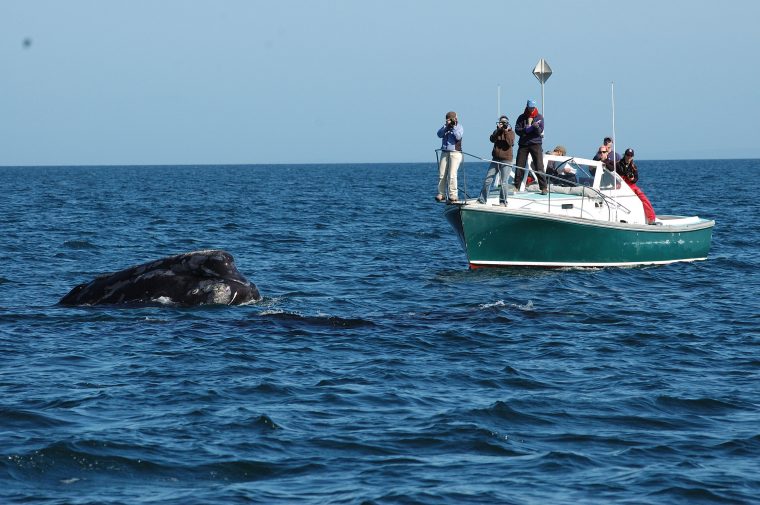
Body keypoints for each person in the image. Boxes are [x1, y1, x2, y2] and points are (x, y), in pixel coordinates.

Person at [477, 115, 515, 205]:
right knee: (488, 179)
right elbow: (491, 139)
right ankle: (482, 199)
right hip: (495, 159)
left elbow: (510, 142)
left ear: (508, 124)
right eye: (501, 123)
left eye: (504, 123)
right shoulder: (496, 132)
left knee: (503, 182)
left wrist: (505, 132)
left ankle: (503, 201)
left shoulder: (511, 132)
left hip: (507, 160)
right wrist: (499, 131)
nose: (503, 124)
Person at [514, 99, 547, 194]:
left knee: (539, 166)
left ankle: (543, 188)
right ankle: (516, 186)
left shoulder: (539, 117)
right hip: (523, 144)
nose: (531, 109)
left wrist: (536, 127)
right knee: (519, 165)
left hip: (536, 143)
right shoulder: (521, 117)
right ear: (527, 107)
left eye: (533, 107)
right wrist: (525, 130)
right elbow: (517, 130)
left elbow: (540, 131)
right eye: (530, 107)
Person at [617, 148, 656, 224]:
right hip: (621, 184)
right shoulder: (618, 164)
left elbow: (636, 178)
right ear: (624, 155)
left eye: (631, 156)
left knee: (644, 198)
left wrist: (632, 179)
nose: (629, 157)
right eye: (628, 155)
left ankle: (651, 218)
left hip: (631, 185)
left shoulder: (633, 166)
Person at [436, 111, 464, 203]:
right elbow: (439, 134)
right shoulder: (445, 127)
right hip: (445, 152)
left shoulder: (459, 127)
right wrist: (446, 127)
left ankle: (453, 195)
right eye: (448, 119)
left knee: (452, 175)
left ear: (455, 118)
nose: (450, 121)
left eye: (451, 119)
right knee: (442, 174)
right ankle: (441, 194)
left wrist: (453, 127)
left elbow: (458, 136)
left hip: (455, 153)